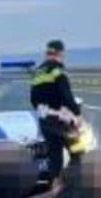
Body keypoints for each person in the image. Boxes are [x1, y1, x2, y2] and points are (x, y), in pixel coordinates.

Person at [31, 39, 81, 182]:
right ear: (61, 53)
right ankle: (72, 184)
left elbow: (33, 99)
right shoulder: (57, 71)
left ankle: (55, 185)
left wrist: (44, 111)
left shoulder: (38, 72)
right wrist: (77, 113)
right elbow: (66, 95)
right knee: (78, 151)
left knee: (55, 156)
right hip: (59, 120)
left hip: (44, 120)